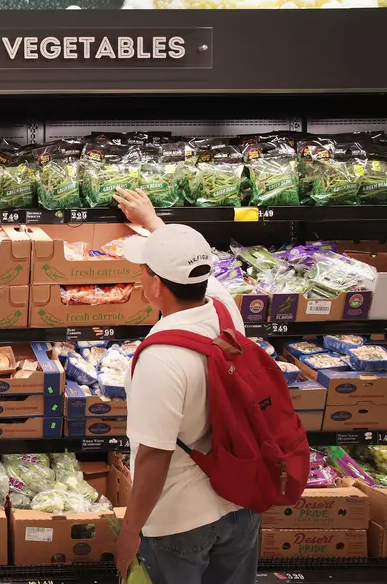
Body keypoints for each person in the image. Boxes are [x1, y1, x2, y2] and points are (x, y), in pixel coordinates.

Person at [112, 187, 261, 584]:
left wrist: (130, 532)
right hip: (242, 500)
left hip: (180, 521)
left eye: (144, 271)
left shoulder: (158, 357)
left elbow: (153, 458)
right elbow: (190, 265)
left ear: (157, 285)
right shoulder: (224, 306)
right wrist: (153, 222)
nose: (141, 276)